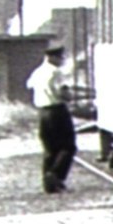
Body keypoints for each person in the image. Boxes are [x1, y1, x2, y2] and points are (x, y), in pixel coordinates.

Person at [25, 44, 77, 193]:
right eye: (60, 57)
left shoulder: (37, 72)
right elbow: (63, 92)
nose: (62, 60)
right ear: (52, 58)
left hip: (43, 112)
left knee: (50, 148)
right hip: (57, 111)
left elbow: (29, 85)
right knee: (68, 146)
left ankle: (49, 184)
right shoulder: (56, 73)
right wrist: (70, 97)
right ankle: (55, 175)